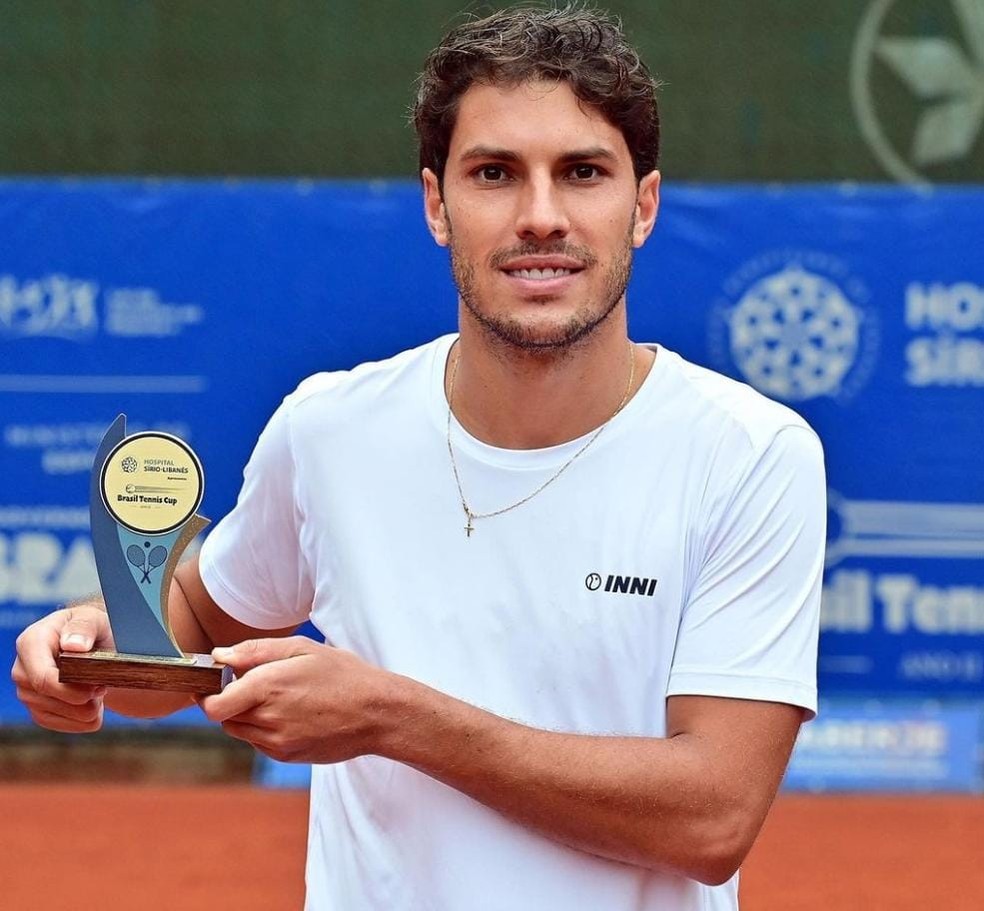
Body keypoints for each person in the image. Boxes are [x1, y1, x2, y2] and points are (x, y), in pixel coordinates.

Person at [12, 6, 825, 910]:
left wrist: (394, 717)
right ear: (439, 203)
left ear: (643, 206)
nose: (541, 216)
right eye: (495, 174)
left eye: (583, 173)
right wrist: (93, 641)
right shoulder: (328, 428)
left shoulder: (751, 454)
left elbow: (711, 818)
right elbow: (196, 619)